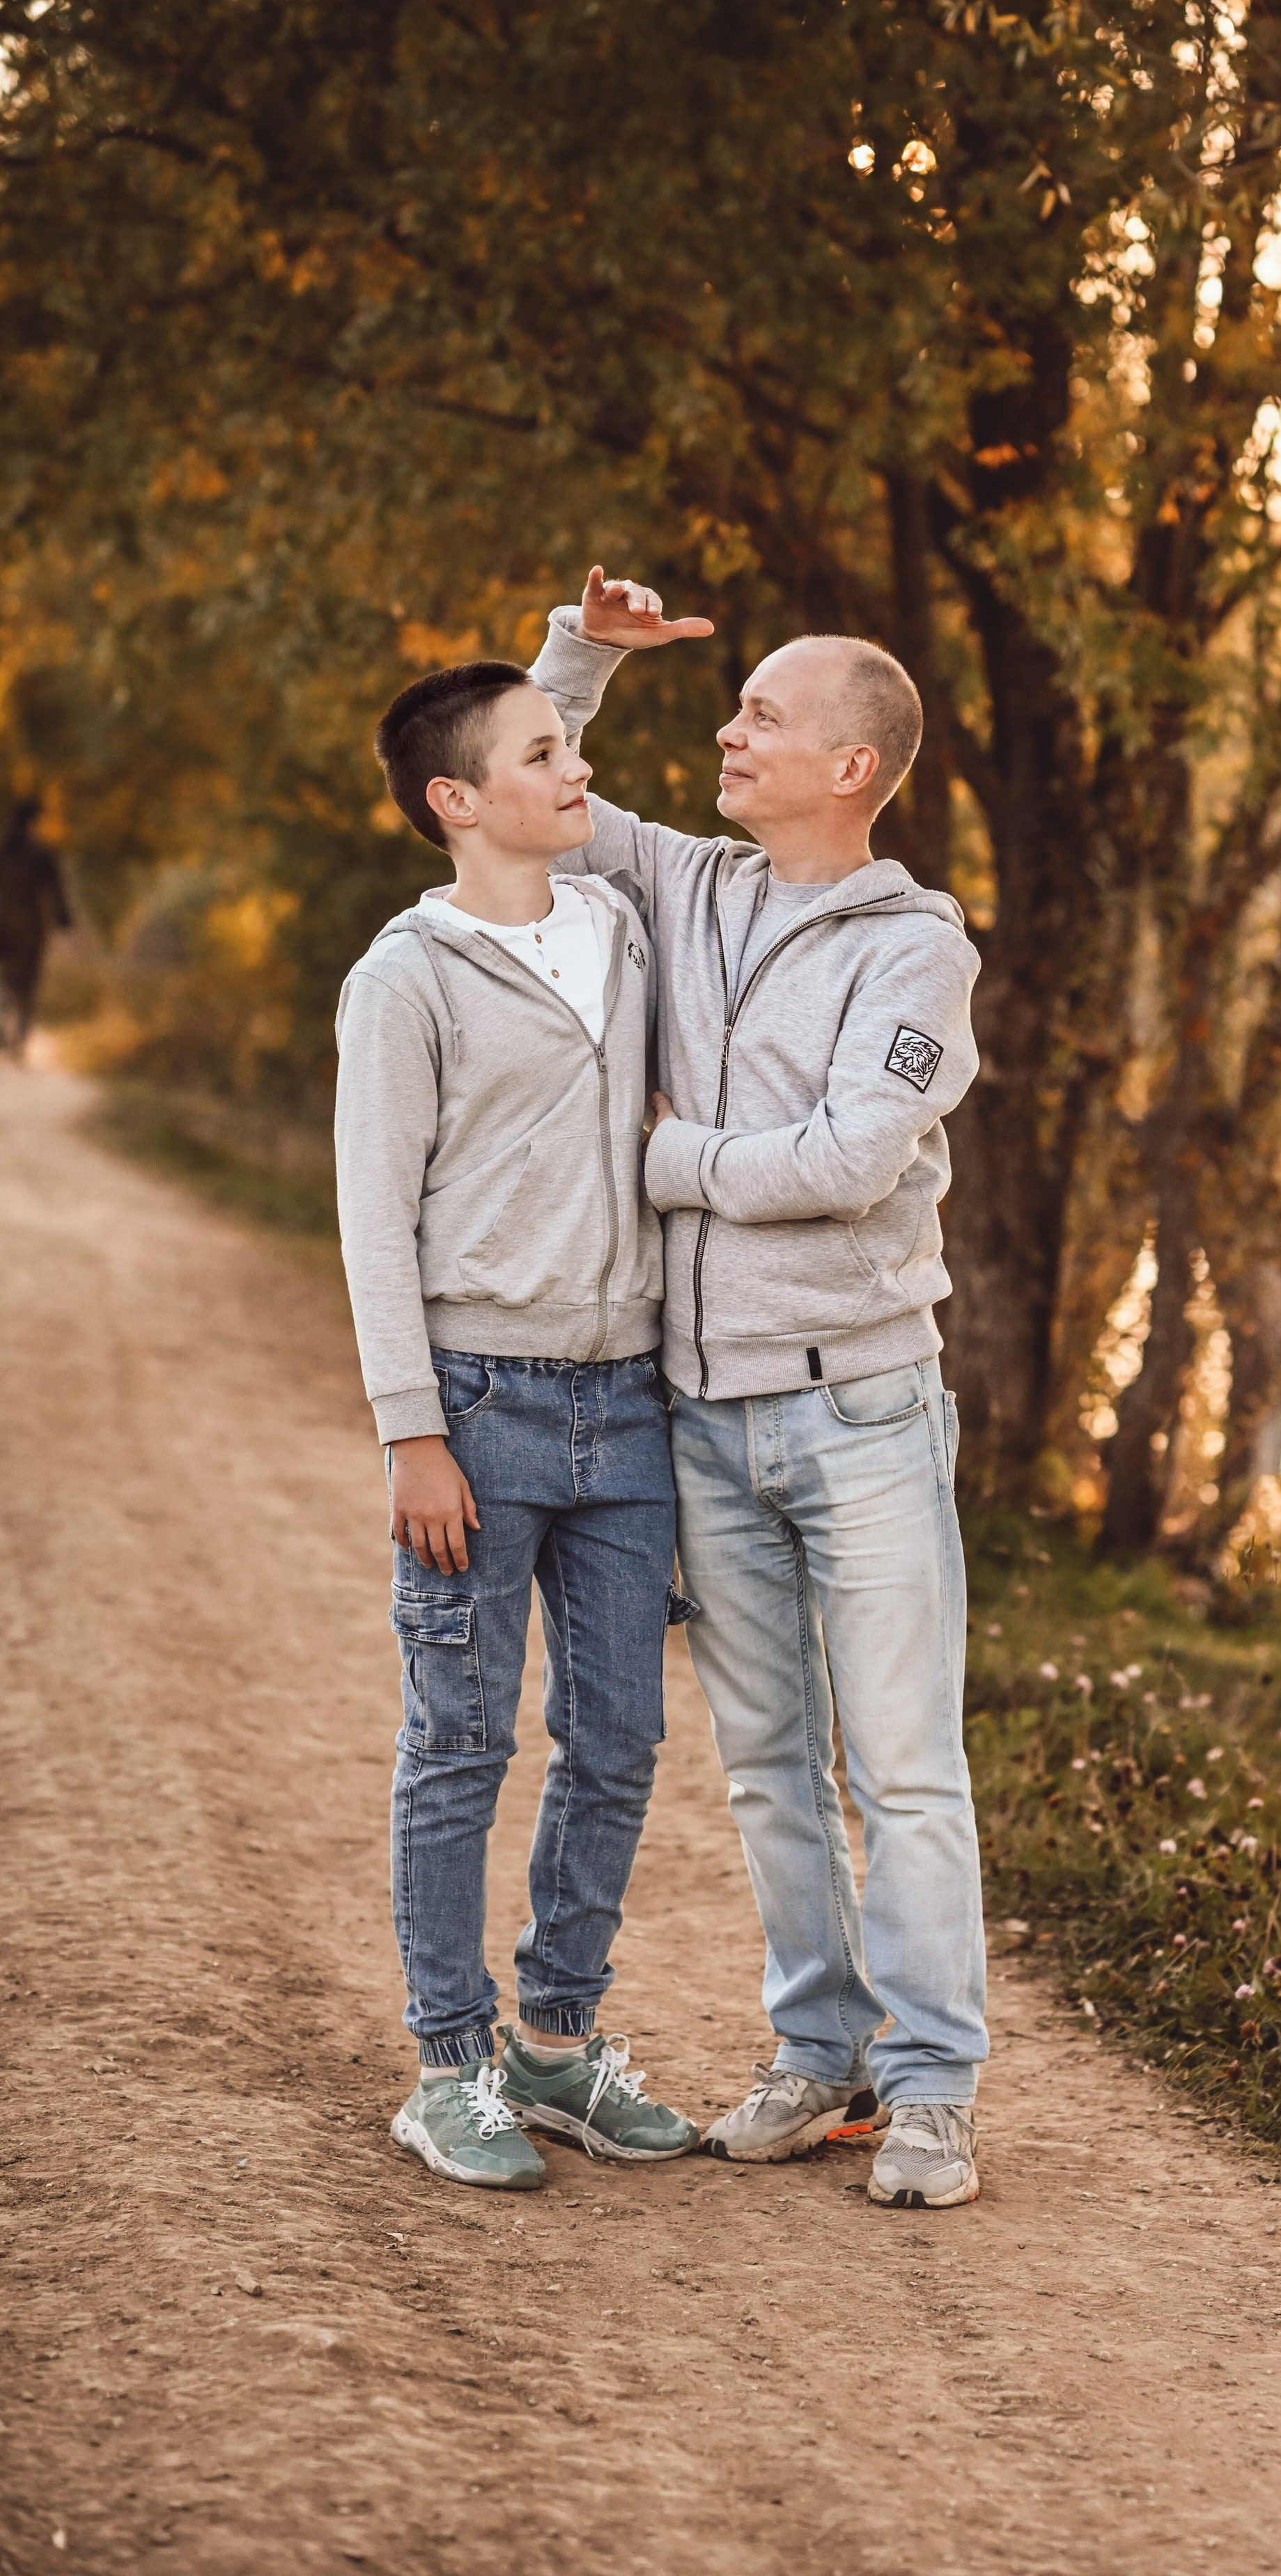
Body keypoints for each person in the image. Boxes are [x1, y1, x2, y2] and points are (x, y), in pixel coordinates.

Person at [531, 568, 989, 2210]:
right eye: (737, 708)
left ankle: (932, 2088)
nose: (729, 730)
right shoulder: (686, 884)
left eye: (763, 716)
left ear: (851, 766)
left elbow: (857, 1162)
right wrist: (581, 647)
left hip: (861, 1407)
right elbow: (534, 783)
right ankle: (824, 2055)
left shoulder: (916, 948)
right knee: (770, 1766)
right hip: (704, 1417)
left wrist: (664, 1158)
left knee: (904, 1766)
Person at [334, 602, 711, 2189]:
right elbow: (371, 1208)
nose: (578, 771)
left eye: (573, 747)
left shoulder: (617, 930)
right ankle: (448, 2060)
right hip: (477, 1407)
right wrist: (411, 1428)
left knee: (617, 1735)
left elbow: (529, 740)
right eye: (545, 756)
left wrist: (580, 653)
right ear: (454, 804)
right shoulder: (405, 976)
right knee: (460, 1739)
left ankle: (554, 2043)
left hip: (626, 1410)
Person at [0, 795, 72, 1054]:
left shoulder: (4, 850)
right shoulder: (42, 855)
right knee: (27, 985)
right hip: (28, 927)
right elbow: (56, 893)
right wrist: (63, 921)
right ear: (35, 821)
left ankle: (4, 1029)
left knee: (4, 981)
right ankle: (17, 1040)